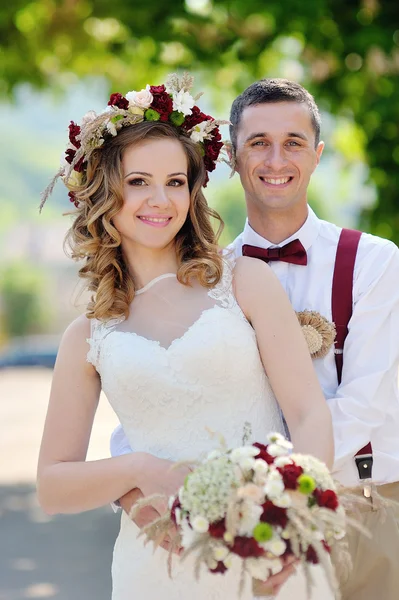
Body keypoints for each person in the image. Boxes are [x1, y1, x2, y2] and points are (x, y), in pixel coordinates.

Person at [37, 75, 335, 600]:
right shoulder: (86, 335)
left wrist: (293, 529)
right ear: (105, 191)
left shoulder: (244, 281)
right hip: (157, 567)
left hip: (266, 551)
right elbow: (53, 486)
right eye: (138, 182)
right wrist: (139, 472)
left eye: (176, 182)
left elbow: (309, 414)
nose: (161, 200)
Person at [112, 78, 399, 600]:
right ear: (233, 159)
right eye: (257, 143)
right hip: (238, 519)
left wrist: (257, 480)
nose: (275, 159)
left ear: (316, 155)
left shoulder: (375, 261)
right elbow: (157, 387)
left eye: (293, 143)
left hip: (363, 506)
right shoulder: (205, 277)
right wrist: (134, 486)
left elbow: (367, 403)